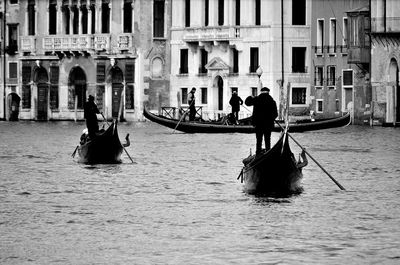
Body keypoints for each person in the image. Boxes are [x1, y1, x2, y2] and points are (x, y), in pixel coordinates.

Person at [246, 87, 278, 155]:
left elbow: (247, 103)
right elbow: (275, 114)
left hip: (258, 124)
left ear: (261, 92)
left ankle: (258, 153)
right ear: (268, 92)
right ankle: (268, 152)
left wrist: (250, 96)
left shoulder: (256, 99)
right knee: (267, 139)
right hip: (268, 124)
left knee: (259, 139)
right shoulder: (272, 101)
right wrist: (271, 119)